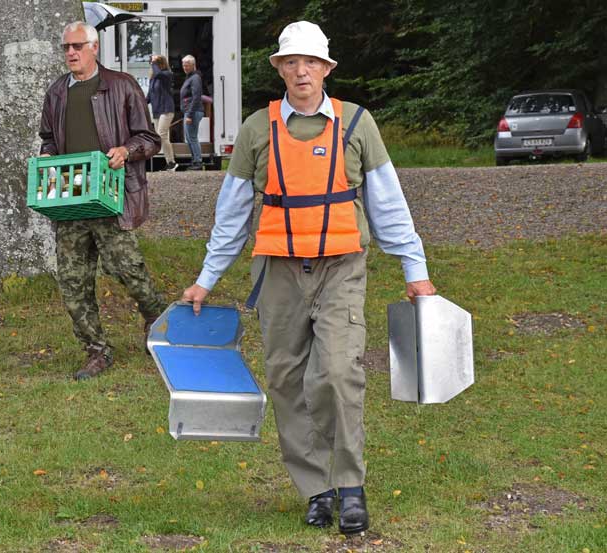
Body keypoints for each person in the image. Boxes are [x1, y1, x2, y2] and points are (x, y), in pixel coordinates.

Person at [181, 21, 436, 534]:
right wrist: (206, 279)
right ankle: (316, 490)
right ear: (279, 68)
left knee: (339, 373)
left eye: (311, 62)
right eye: (291, 62)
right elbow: (231, 215)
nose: (301, 70)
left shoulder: (357, 124)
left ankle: (351, 486)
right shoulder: (257, 129)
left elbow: (388, 205)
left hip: (341, 268)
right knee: (287, 380)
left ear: (325, 69)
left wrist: (417, 271)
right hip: (277, 272)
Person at [39, 21, 165, 381]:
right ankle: (96, 351)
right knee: (73, 281)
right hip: (70, 201)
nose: (71, 53)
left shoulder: (122, 86)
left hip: (112, 198)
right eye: (66, 47)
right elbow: (48, 138)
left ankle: (156, 318)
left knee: (129, 270)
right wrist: (48, 155)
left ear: (95, 47)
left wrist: (127, 150)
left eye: (77, 46)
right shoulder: (57, 93)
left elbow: (150, 139)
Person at [146, 54, 177, 171]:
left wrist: (154, 62)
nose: (152, 65)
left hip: (167, 109)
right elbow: (149, 95)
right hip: (157, 110)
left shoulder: (166, 75)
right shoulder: (153, 78)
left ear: (160, 64)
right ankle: (170, 163)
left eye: (154, 63)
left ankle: (171, 162)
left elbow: (158, 73)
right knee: (163, 137)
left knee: (161, 135)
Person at [180, 55, 204, 170]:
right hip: (190, 111)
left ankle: (198, 162)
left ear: (193, 65)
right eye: (184, 65)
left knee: (192, 137)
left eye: (187, 65)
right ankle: (194, 160)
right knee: (189, 137)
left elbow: (196, 97)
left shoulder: (195, 78)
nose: (185, 67)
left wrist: (189, 115)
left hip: (193, 112)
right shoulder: (190, 77)